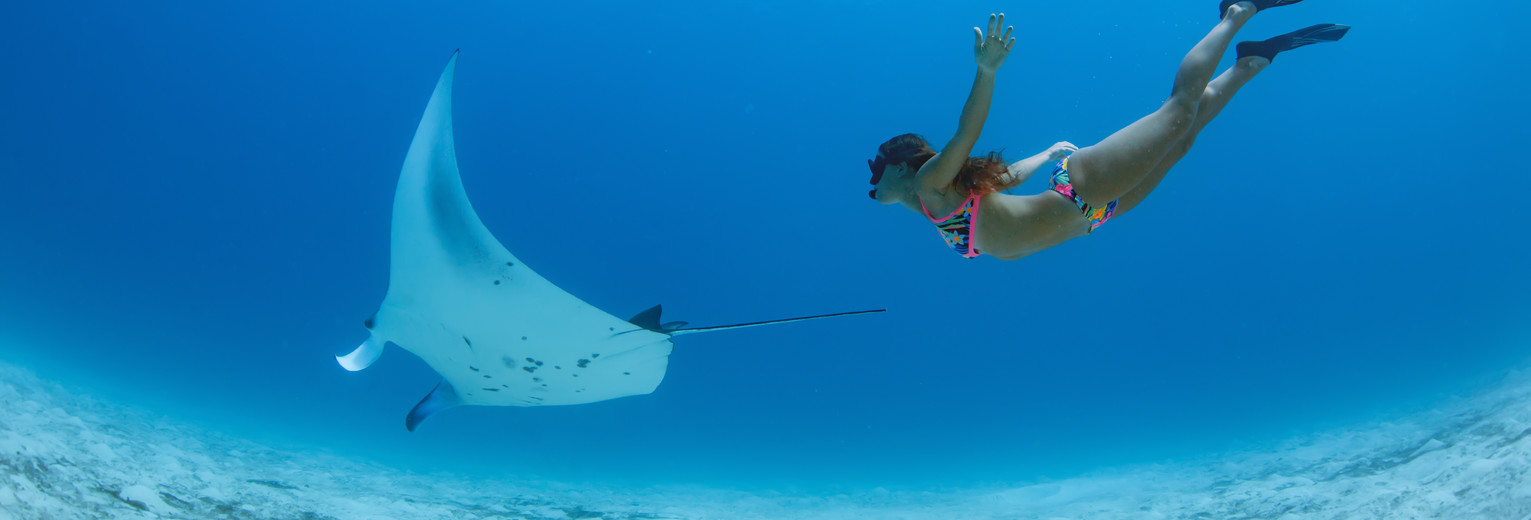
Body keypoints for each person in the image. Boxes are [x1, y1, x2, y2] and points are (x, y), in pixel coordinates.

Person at [867, 2, 1349, 260]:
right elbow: (1006, 179)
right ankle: (1252, 60)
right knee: (1182, 141)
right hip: (1098, 215)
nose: (872, 182)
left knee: (1178, 111)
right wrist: (1049, 149)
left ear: (900, 169)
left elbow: (964, 136)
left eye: (876, 170)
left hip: (1079, 191)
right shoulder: (940, 201)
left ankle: (1238, 11)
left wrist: (986, 72)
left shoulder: (930, 182)